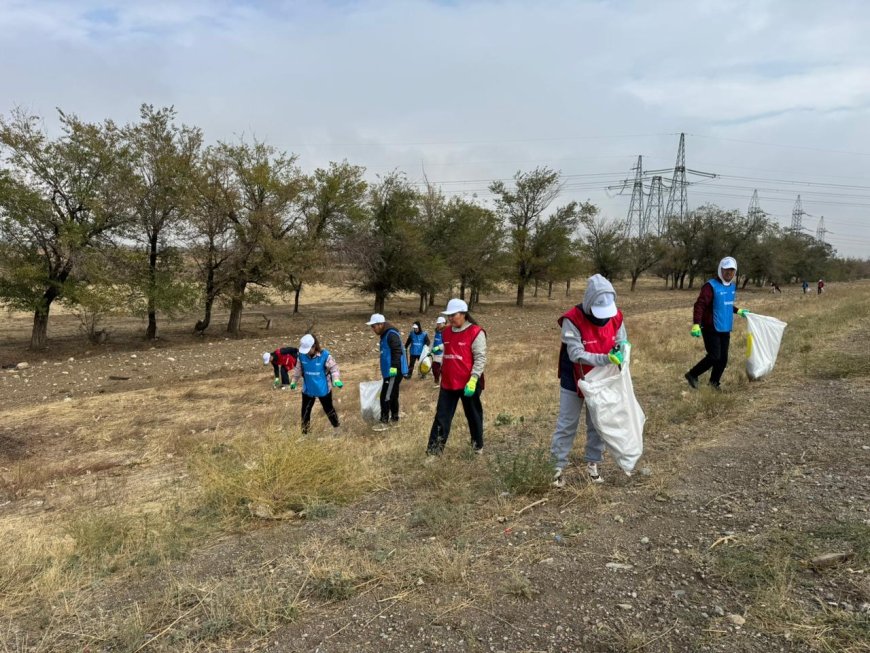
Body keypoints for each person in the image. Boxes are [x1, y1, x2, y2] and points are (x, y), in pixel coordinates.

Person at [551, 274, 628, 488]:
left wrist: (620, 351)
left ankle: (593, 463)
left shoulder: (615, 316)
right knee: (567, 424)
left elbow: (622, 340)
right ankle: (556, 467)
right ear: (589, 303)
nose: (602, 318)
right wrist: (605, 358)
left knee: (598, 423)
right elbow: (575, 353)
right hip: (574, 377)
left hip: (603, 380)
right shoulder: (572, 319)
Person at [426, 299, 487, 456]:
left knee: (473, 415)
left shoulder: (476, 332)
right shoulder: (446, 332)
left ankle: (477, 447)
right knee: (441, 418)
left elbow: (480, 358)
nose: (451, 319)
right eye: (449, 316)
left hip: (469, 384)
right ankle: (434, 452)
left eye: (454, 315)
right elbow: (450, 345)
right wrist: (439, 347)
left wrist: (474, 379)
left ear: (463, 314)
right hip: (448, 383)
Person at [685, 256, 749, 391]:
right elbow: (700, 305)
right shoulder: (710, 286)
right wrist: (696, 323)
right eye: (726, 270)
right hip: (710, 326)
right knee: (714, 356)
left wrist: (738, 311)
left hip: (725, 326)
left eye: (732, 271)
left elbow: (726, 305)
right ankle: (692, 374)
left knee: (723, 359)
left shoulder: (732, 286)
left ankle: (714, 383)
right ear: (721, 270)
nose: (729, 273)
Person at [289, 334, 342, 435]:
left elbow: (334, 368)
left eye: (308, 349)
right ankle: (305, 434)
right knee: (305, 411)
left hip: (323, 388)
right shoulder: (301, 356)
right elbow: (298, 370)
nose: (307, 352)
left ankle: (337, 428)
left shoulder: (325, 356)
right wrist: (293, 381)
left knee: (329, 409)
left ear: (314, 346)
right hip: (308, 389)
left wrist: (336, 379)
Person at [366, 313, 408, 431]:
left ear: (380, 324)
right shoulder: (384, 335)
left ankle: (384, 422)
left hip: (394, 371)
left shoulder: (391, 335)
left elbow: (397, 351)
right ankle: (395, 419)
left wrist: (394, 367)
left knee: (385, 396)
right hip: (389, 372)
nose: (372, 329)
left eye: (373, 326)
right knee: (393, 395)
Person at [430, 316, 446, 386]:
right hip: (435, 354)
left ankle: (443, 382)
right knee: (434, 368)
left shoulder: (446, 332)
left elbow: (447, 343)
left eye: (440, 324)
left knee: (442, 369)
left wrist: (439, 347)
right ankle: (436, 380)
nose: (438, 325)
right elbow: (433, 341)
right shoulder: (436, 331)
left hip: (442, 354)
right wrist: (430, 350)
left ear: (444, 323)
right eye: (437, 324)